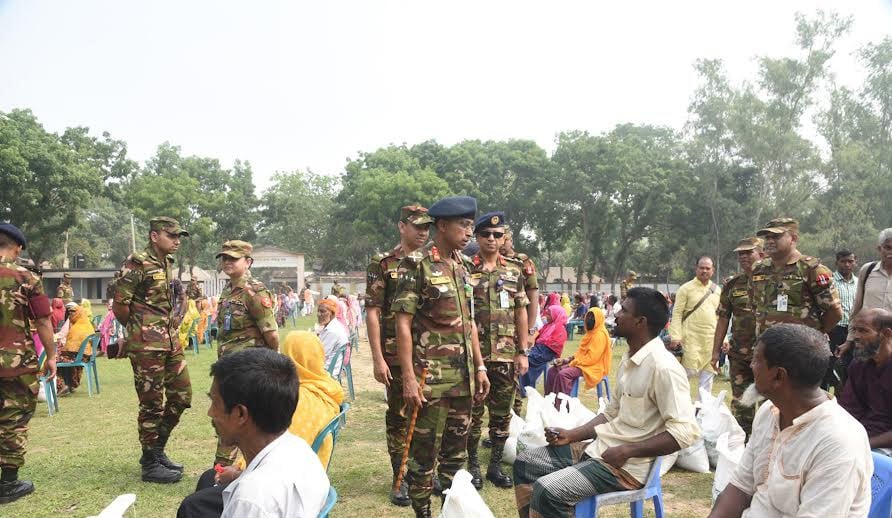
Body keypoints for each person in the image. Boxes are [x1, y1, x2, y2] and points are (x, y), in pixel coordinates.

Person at [513, 288, 700, 518]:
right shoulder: (630, 358)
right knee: (525, 463)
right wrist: (572, 434)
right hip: (601, 449)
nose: (616, 315)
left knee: (549, 491)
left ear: (640, 322)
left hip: (626, 467)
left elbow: (684, 432)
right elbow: (612, 413)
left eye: (624, 310)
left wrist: (628, 450)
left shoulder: (664, 368)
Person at [391, 195, 491, 518]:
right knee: (424, 458)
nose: (468, 232)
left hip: (463, 381)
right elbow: (402, 323)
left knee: (455, 457)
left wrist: (479, 366)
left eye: (469, 226)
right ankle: (423, 513)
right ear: (443, 226)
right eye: (463, 225)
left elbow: (470, 321)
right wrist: (407, 376)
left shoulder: (462, 266)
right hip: (429, 381)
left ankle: (451, 510)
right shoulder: (417, 265)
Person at [709, 324, 872, 517]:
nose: (751, 366)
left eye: (757, 359)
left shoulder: (838, 442)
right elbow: (740, 488)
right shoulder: (769, 412)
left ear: (778, 376)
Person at [179, 348, 330, 518]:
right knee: (208, 480)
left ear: (240, 414)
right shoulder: (300, 449)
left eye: (215, 402)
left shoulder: (251, 500)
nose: (210, 412)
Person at [112, 216, 192, 484]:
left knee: (182, 396)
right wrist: (138, 331)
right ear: (154, 236)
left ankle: (157, 450)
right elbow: (120, 305)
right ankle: (149, 463)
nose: (177, 241)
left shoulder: (167, 263)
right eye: (172, 235)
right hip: (146, 344)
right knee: (151, 404)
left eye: (179, 236)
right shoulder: (137, 262)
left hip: (170, 341)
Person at [365, 204, 432, 506]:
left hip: (430, 353)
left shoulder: (432, 262)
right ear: (401, 226)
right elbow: (373, 312)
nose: (422, 232)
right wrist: (378, 357)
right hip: (394, 354)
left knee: (429, 417)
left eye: (427, 227)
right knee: (399, 417)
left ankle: (424, 474)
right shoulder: (383, 263)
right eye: (417, 226)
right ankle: (399, 478)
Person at [466, 212, 529, 490]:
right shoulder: (466, 269)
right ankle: (473, 466)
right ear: (477, 237)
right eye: (486, 235)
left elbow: (521, 312)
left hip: (506, 354)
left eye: (497, 235)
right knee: (472, 413)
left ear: (504, 238)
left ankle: (493, 466)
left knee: (502, 415)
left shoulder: (514, 270)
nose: (492, 239)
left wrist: (523, 350)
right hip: (474, 355)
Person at [0, 223, 56, 504]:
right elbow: (44, 320)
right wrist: (52, 354)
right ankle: (8, 483)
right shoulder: (26, 277)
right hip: (15, 361)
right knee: (15, 418)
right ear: (18, 246)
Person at [213, 240, 278, 467]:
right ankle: (225, 470)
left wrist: (267, 366)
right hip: (228, 367)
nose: (227, 262)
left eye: (233, 258)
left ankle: (223, 471)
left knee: (237, 418)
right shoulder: (228, 290)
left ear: (248, 262)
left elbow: (271, 334)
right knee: (226, 415)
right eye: (225, 258)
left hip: (248, 370)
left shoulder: (255, 291)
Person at [750, 217, 842, 337]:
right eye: (767, 237)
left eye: (776, 236)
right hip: (766, 346)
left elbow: (834, 312)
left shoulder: (811, 269)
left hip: (801, 348)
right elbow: (754, 305)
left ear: (793, 238)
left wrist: (816, 334)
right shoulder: (758, 269)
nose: (770, 241)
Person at [711, 237, 764, 436]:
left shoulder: (774, 282)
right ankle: (741, 443)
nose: (743, 257)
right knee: (742, 403)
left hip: (770, 355)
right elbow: (723, 319)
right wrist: (716, 351)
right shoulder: (732, 284)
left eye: (748, 252)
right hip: (740, 354)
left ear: (762, 253)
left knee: (772, 404)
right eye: (740, 254)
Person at [838, 308, 892, 456]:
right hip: (858, 438)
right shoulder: (858, 365)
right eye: (854, 330)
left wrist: (864, 445)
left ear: (886, 334)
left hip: (880, 447)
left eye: (862, 331)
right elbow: (848, 410)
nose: (855, 336)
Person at [668, 256, 721, 398]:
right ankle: (679, 410)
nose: (704, 271)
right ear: (696, 269)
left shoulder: (717, 290)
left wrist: (724, 340)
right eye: (701, 268)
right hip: (690, 339)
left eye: (708, 268)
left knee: (707, 380)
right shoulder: (686, 288)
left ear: (713, 270)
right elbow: (677, 313)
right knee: (685, 376)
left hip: (710, 341)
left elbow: (719, 317)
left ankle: (702, 415)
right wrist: (675, 336)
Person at [839, 228, 892, 364]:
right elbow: (857, 307)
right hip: (867, 340)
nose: (891, 252)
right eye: (887, 247)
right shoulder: (868, 270)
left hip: (889, 340)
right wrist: (850, 339)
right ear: (879, 249)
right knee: (860, 376)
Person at [544, 306, 611, 403]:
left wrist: (570, 364)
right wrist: (566, 360)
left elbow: (591, 359)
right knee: (552, 371)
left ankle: (562, 405)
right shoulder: (590, 333)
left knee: (564, 374)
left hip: (593, 366)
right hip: (581, 364)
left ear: (599, 320)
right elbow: (580, 354)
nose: (589, 320)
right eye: (588, 317)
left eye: (592, 318)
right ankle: (549, 402)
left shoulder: (599, 335)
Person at [518, 304, 568, 396]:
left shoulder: (560, 329)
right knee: (522, 356)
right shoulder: (548, 326)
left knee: (525, 358)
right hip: (538, 350)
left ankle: (524, 389)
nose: (546, 316)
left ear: (556, 315)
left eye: (549, 314)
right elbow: (537, 335)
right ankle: (523, 388)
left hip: (546, 353)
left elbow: (553, 347)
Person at [828, 250, 858, 390]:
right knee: (829, 364)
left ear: (855, 263)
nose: (847, 264)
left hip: (853, 330)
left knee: (851, 365)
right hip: (834, 329)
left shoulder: (859, 283)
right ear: (837, 263)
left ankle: (847, 396)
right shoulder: (829, 281)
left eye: (850, 261)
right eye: (843, 261)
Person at [55, 303, 93, 395]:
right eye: (69, 314)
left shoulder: (76, 328)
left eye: (72, 314)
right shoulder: (86, 324)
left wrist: (59, 352)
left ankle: (61, 386)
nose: (70, 316)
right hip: (85, 356)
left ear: (78, 314)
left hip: (77, 357)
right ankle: (70, 384)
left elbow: (70, 349)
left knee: (52, 360)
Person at [316, 298, 348, 374]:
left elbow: (320, 355)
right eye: (318, 311)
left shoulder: (332, 331)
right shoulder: (333, 326)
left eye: (323, 311)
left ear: (332, 313)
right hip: (328, 367)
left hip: (327, 372)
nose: (319, 314)